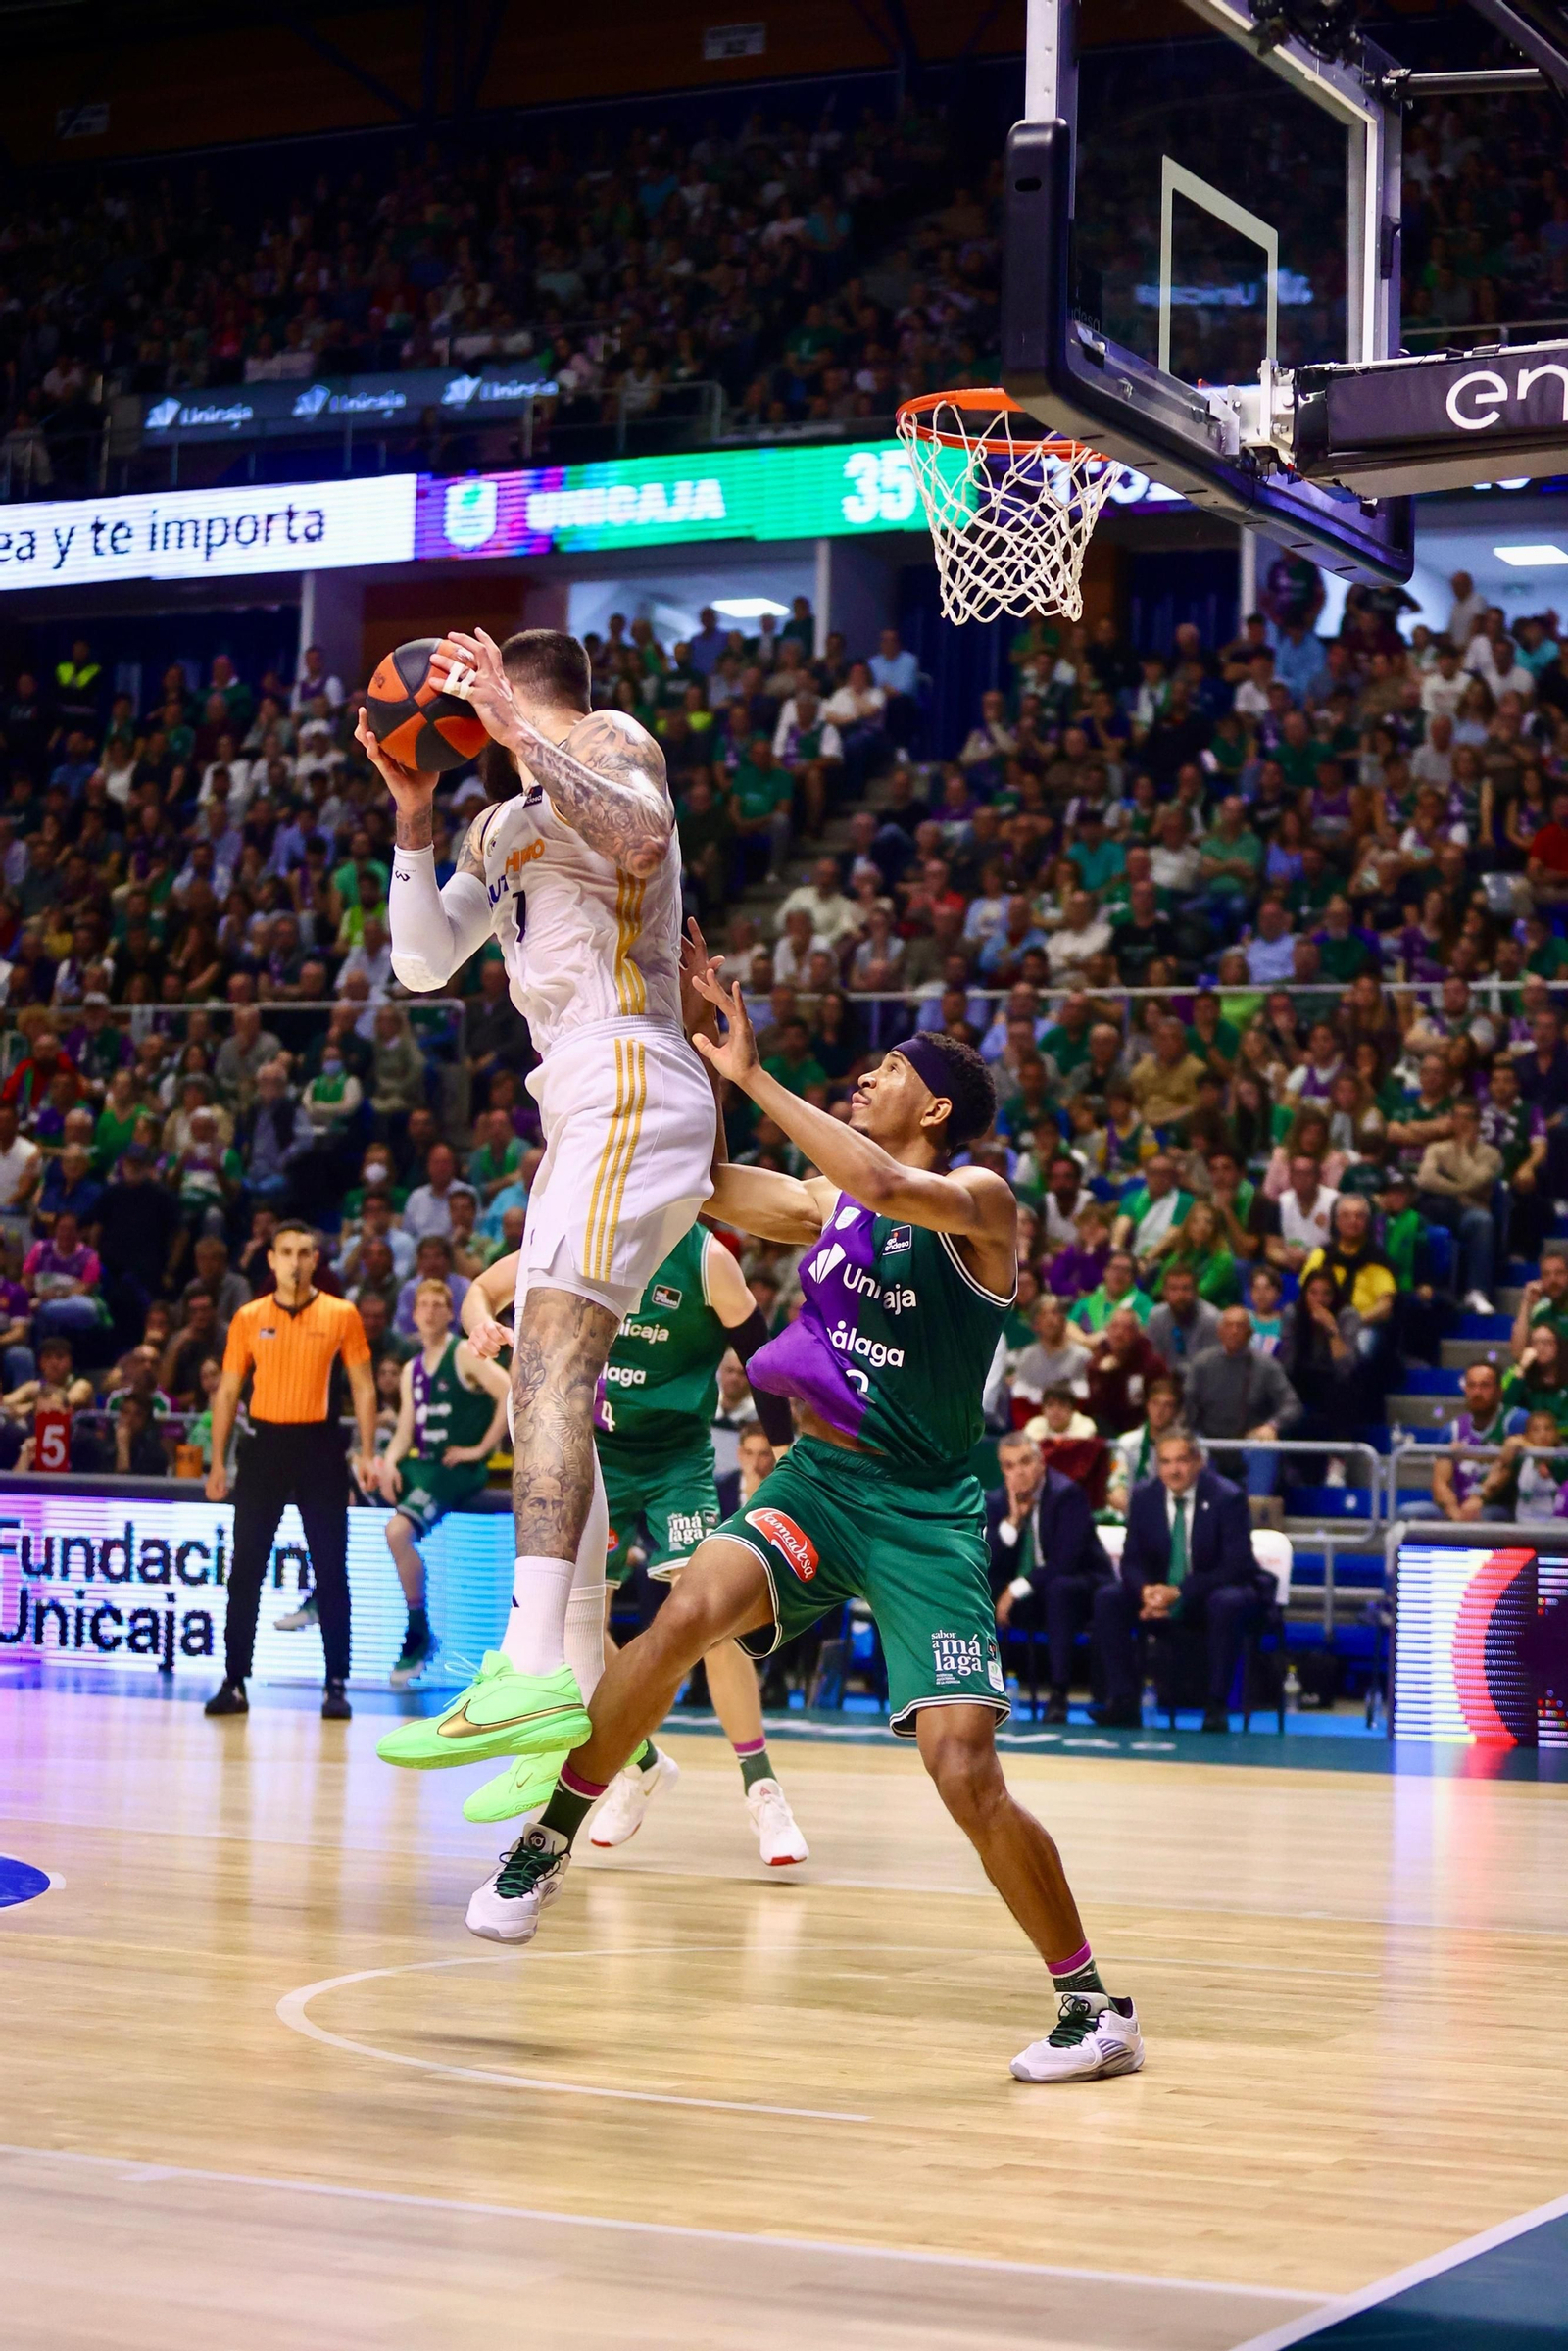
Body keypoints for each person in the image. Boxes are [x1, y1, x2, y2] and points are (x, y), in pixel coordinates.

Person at [466, 974, 1142, 2086]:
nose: (868, 1074)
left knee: (963, 1769)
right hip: (820, 1481)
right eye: (866, 1067)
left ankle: (1090, 2004)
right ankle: (544, 1844)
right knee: (684, 1610)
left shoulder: (980, 1201)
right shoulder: (828, 1208)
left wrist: (751, 1073)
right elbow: (694, 1180)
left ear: (935, 1107)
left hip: (926, 1512)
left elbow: (873, 1176)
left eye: (892, 1069)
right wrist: (654, 1052)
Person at [364, 625, 717, 1805]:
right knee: (554, 1370)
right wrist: (414, 807)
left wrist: (515, 728)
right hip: (577, 1099)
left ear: (513, 691)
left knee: (549, 1358)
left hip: (627, 1064)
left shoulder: (612, 741)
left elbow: (641, 834)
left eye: (478, 695)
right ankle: (555, 1711)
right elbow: (421, 960)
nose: (458, 714)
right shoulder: (494, 823)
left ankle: (530, 1668)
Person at [463, 1222, 804, 1858]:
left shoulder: (706, 1258)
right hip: (596, 1453)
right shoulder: (582, 1233)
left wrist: (784, 1453)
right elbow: (480, 1287)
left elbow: (760, 1358)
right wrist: (481, 1320)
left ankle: (762, 1789)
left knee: (713, 1617)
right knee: (575, 1623)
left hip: (678, 1457)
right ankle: (640, 1761)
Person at [202, 1221, 378, 1722]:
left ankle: (336, 1683)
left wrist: (366, 1453)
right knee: (245, 1571)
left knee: (331, 1569)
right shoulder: (247, 1317)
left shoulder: (341, 1314)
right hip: (263, 1449)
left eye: (305, 1252)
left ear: (316, 1260)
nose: (295, 1261)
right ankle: (234, 1681)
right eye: (286, 1252)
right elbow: (228, 1391)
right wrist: (218, 1461)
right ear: (272, 1260)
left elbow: (364, 1387)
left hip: (320, 1448)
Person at [371, 1276, 511, 1688]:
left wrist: (480, 1448)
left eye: (438, 1305)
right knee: (354, 1477)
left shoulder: (465, 1352)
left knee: (397, 1532)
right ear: (413, 1315)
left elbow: (508, 1390)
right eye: (424, 1305)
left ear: (450, 1314)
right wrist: (389, 1462)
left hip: (457, 1469)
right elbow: (404, 1431)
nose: (430, 1312)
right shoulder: (412, 1369)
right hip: (426, 1465)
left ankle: (418, 1632)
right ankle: (323, 1597)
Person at [1093, 1430, 1270, 1734]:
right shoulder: (1145, 1497)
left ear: (1198, 1462)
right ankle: (1123, 1701)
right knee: (1109, 1597)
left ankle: (1216, 1706)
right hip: (1161, 1595)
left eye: (1182, 1461)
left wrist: (1178, 1593)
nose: (1174, 1469)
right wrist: (1147, 1593)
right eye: (1166, 1462)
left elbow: (1234, 1565)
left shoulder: (1227, 1497)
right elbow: (1131, 1560)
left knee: (1225, 1602)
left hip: (1210, 1594)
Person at [988, 1432, 1113, 1723]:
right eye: (1009, 1466)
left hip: (1081, 1588)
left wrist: (1015, 1590)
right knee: (979, 1590)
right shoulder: (997, 1500)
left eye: (1025, 1462)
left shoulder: (1067, 1494)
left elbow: (1065, 1561)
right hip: (1034, 1595)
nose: (1018, 1472)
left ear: (1041, 1462)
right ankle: (982, 1692)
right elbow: (989, 1562)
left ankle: (1059, 1694)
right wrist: (1014, 1522)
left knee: (1059, 1589)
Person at [1182, 1304, 1302, 1507]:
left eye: (1240, 1326)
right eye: (1229, 1325)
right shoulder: (1201, 1364)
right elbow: (1186, 1408)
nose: (1234, 1331)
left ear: (1250, 1332)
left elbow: (1292, 1404)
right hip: (1209, 1444)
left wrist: (1272, 1425)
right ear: (1219, 1330)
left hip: (1250, 1443)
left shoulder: (1267, 1366)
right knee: (1187, 1445)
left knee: (1265, 1448)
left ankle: (1257, 1513)